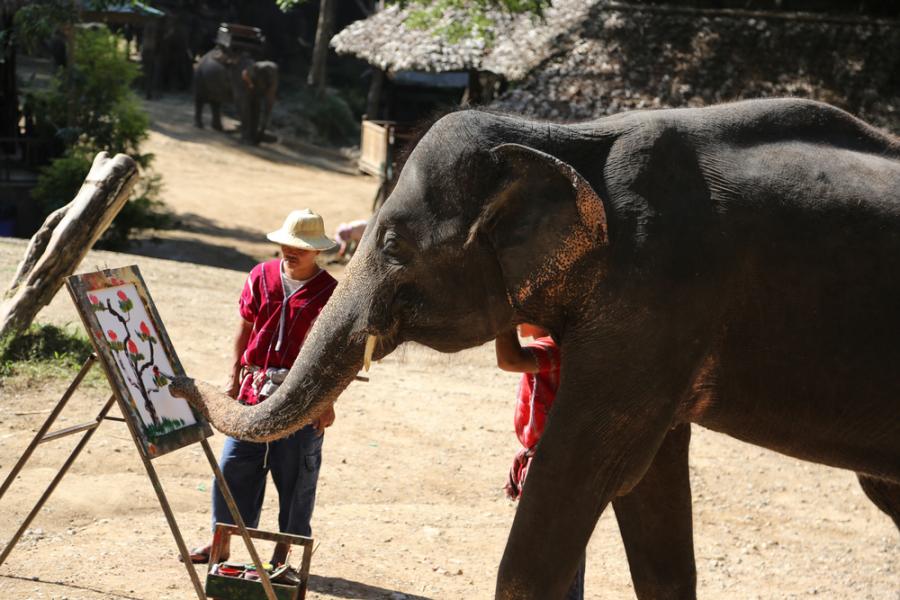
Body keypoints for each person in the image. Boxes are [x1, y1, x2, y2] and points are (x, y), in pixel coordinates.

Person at [185, 208, 339, 566]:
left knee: (297, 479)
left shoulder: (331, 293)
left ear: (317, 251)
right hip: (252, 393)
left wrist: (327, 401)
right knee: (234, 467)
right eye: (287, 243)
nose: (291, 250)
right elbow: (246, 324)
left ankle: (283, 557)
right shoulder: (261, 275)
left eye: (301, 246)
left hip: (302, 398)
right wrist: (233, 374)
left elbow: (337, 355)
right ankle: (220, 543)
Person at [495, 324, 585, 600]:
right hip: (549, 466)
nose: (520, 321)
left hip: (558, 472)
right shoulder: (549, 347)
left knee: (556, 561)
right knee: (550, 557)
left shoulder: (557, 346)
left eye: (525, 314)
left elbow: (509, 360)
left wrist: (502, 319)